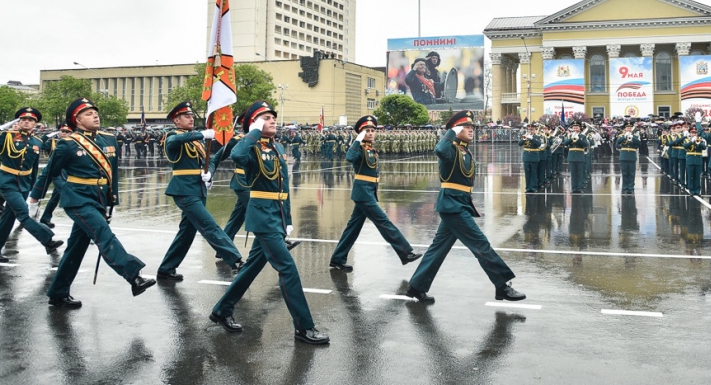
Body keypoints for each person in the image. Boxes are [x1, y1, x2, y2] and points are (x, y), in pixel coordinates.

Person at [209, 101, 328, 345]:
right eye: (266, 117)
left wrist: (288, 221)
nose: (272, 120)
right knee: (288, 269)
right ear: (255, 123)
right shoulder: (250, 147)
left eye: (273, 117)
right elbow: (237, 155)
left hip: (276, 215)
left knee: (251, 267)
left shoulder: (274, 147)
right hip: (262, 217)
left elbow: (282, 187)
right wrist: (253, 130)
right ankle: (304, 327)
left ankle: (222, 310)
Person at [30, 98, 155, 308]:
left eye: (95, 112)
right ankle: (133, 275)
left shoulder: (109, 139)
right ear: (77, 121)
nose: (95, 115)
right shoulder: (68, 144)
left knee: (75, 248)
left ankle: (58, 292)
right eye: (88, 114)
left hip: (98, 198)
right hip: (78, 199)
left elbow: (112, 174)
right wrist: (34, 199)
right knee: (104, 235)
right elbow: (49, 172)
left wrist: (111, 201)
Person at [406, 110, 524, 304]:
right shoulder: (450, 147)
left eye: (472, 127)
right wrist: (451, 132)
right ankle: (502, 285)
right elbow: (440, 150)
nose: (471, 130)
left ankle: (416, 287)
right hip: (452, 205)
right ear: (456, 129)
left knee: (438, 249)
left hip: (459, 203)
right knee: (480, 244)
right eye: (466, 127)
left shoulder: (464, 149)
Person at [155, 102, 243, 281]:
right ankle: (236, 260)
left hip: (198, 189)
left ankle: (166, 268)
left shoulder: (196, 141)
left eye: (191, 116)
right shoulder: (172, 135)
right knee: (209, 225)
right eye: (186, 116)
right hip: (184, 190)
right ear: (176, 120)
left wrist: (209, 172)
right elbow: (174, 141)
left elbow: (208, 160)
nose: (191, 118)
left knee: (187, 232)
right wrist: (201, 134)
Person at [329, 115, 422, 271]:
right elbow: (350, 157)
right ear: (360, 133)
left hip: (368, 192)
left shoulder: (370, 149)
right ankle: (405, 252)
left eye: (373, 130)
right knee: (383, 221)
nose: (371, 133)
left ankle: (338, 259)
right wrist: (356, 140)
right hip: (363, 193)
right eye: (367, 131)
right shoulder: (358, 148)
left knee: (353, 228)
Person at [0, 108, 64, 262]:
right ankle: (48, 241)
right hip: (7, 181)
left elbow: (33, 167)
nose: (26, 121)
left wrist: (32, 186)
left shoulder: (37, 141)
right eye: (23, 119)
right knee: (24, 214)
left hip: (23, 184)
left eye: (30, 120)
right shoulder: (6, 136)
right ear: (18, 122)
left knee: (8, 219)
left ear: (35, 124)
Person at [615, 121, 642, 194]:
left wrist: (632, 137)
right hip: (624, 156)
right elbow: (618, 143)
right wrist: (625, 136)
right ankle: (625, 188)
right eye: (627, 128)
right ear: (625, 129)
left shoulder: (635, 136)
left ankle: (631, 188)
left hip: (632, 156)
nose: (629, 129)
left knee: (632, 173)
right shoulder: (621, 136)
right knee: (624, 173)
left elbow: (639, 144)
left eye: (630, 128)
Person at [565, 122, 588, 193]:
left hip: (580, 156)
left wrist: (578, 139)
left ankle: (580, 188)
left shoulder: (583, 136)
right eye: (574, 127)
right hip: (572, 156)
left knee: (580, 173)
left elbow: (585, 144)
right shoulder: (569, 135)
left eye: (577, 127)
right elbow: (565, 143)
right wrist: (571, 139)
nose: (575, 129)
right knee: (573, 173)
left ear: (579, 128)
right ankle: (574, 188)